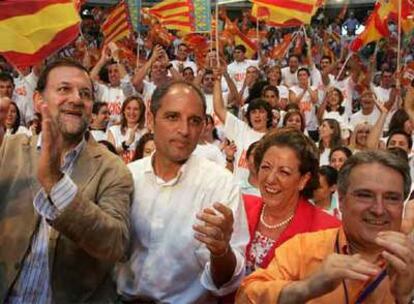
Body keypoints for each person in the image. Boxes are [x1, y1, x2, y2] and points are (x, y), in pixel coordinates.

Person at [0, 58, 133, 303]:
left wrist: (55, 182)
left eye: (85, 93)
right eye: (64, 89)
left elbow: (115, 244)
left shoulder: (113, 169)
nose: (76, 99)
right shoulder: (8, 150)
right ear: (38, 100)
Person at [116, 80, 249, 303]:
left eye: (194, 121)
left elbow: (226, 283)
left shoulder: (221, 185)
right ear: (150, 119)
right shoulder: (127, 177)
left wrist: (221, 251)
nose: (184, 130)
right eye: (172, 117)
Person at [236, 150, 414, 304]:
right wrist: (306, 288)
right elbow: (245, 297)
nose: (378, 209)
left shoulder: (410, 260)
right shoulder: (304, 248)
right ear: (342, 200)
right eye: (365, 195)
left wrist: (406, 298)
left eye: (391, 198)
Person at [243, 128, 340, 275]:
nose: (270, 179)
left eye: (284, 172)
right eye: (265, 167)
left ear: (303, 180)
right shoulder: (241, 207)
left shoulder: (328, 231)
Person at [107, 95, 147, 163]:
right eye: (128, 108)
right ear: (123, 111)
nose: (132, 112)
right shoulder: (113, 130)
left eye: (136, 109)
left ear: (141, 112)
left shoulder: (145, 132)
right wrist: (127, 143)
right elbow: (109, 153)